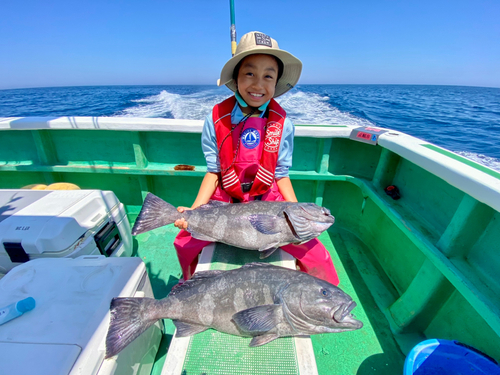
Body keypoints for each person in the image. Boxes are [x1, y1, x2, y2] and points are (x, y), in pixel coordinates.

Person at [173, 31, 339, 286]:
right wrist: (194, 210)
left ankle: (321, 300)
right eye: (249, 73)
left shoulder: (284, 124)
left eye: (268, 76)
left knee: (316, 254)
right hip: (226, 196)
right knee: (184, 241)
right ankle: (190, 287)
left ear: (276, 83)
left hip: (268, 196)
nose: (258, 84)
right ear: (236, 78)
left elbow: (281, 174)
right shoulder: (215, 118)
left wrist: (296, 212)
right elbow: (214, 172)